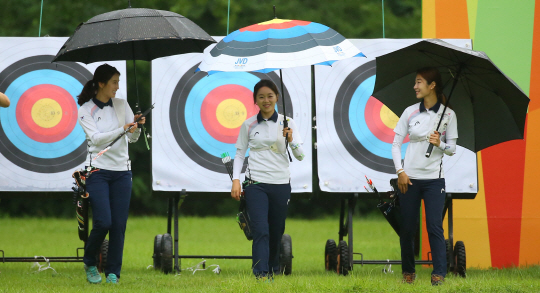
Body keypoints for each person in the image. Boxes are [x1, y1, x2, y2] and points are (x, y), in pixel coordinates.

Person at [77, 64, 145, 284]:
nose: (117, 87)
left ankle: (113, 272)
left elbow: (132, 140)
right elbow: (95, 139)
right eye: (114, 82)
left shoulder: (121, 104)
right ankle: (89, 262)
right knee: (103, 222)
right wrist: (123, 129)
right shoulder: (85, 109)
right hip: (97, 171)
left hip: (122, 173)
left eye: (118, 82)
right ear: (101, 83)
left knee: (118, 225)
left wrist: (136, 127)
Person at [231, 79, 304, 280]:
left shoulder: (288, 123)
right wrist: (236, 180)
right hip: (256, 183)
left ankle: (272, 268)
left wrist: (291, 140)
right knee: (260, 228)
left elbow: (300, 156)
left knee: (276, 229)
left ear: (277, 98)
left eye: (270, 96)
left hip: (281, 184)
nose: (266, 100)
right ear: (255, 100)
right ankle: (261, 273)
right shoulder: (249, 124)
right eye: (261, 97)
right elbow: (239, 154)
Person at [391, 67, 458, 286]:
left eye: (419, 82)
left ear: (432, 86)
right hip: (409, 180)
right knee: (408, 228)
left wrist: (441, 143)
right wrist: (400, 172)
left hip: (434, 181)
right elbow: (396, 144)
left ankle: (439, 274)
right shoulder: (410, 111)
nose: (415, 86)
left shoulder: (449, 114)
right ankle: (408, 273)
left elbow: (453, 149)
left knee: (434, 227)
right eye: (415, 82)